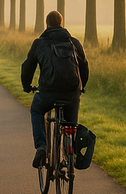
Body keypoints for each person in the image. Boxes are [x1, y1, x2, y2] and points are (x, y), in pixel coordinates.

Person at [20, 10, 89, 169]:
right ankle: (70, 149)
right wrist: (82, 86)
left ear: (47, 24)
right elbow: (84, 66)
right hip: (72, 94)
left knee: (36, 110)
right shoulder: (74, 43)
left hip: (47, 94)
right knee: (70, 124)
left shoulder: (39, 43)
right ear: (61, 23)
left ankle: (42, 147)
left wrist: (26, 86)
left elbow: (28, 67)